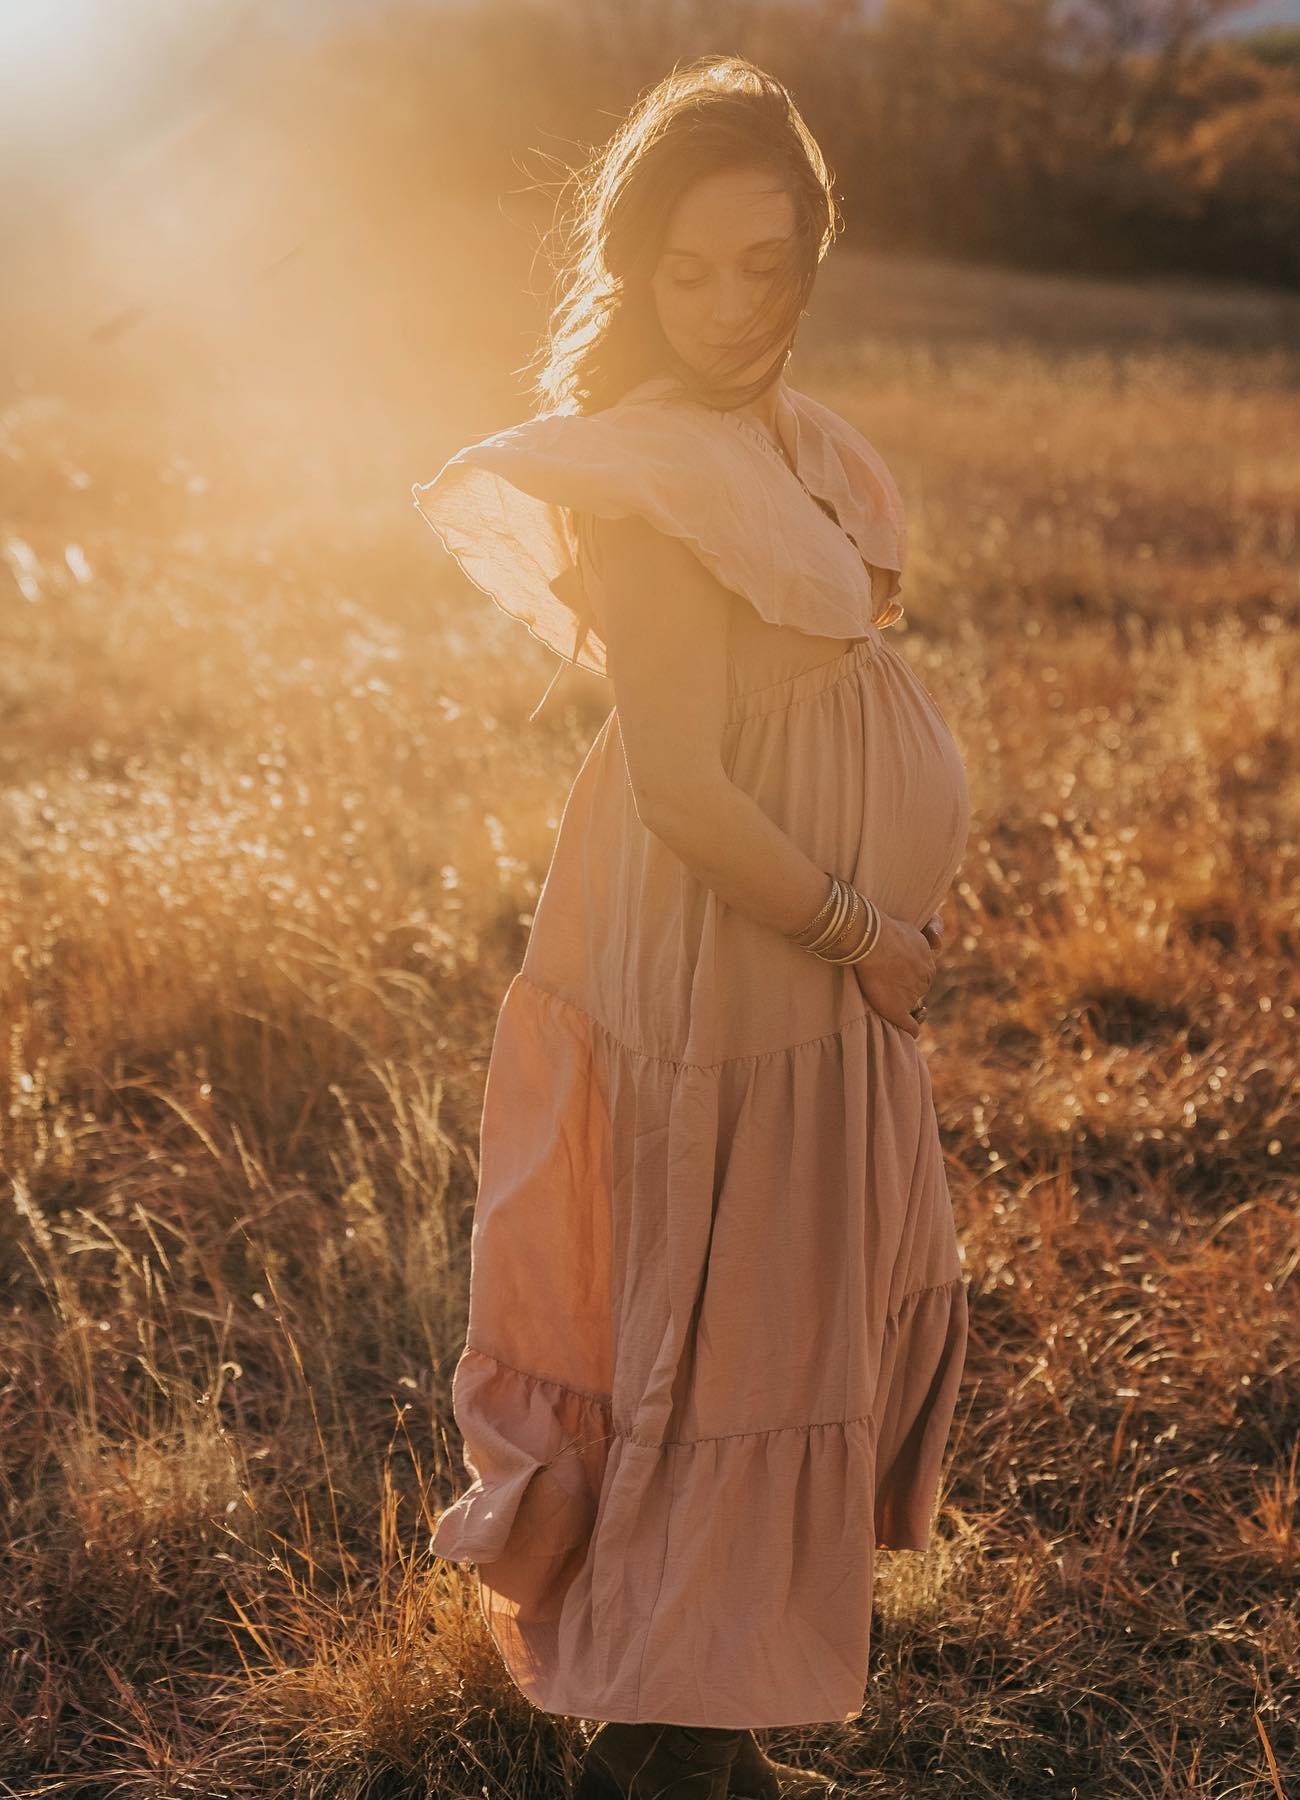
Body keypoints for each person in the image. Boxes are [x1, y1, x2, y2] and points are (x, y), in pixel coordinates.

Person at [412, 53, 972, 1800]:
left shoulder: (788, 445)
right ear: (637, 268)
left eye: (769, 263)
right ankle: (668, 1752)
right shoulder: (653, 482)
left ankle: (701, 1732)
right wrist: (862, 927)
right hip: (745, 967)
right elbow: (681, 788)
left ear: (818, 250)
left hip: (796, 984)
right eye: (690, 269)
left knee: (783, 1323)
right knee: (727, 1335)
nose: (733, 308)